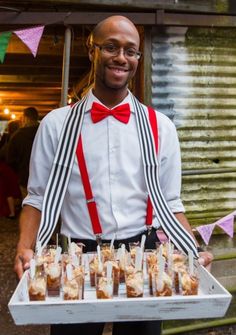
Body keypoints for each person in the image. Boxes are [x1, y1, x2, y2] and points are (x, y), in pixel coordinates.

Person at [14, 16, 213, 335]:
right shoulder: (56, 125)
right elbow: (37, 198)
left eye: (130, 50)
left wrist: (191, 252)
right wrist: (26, 246)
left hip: (145, 257)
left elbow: (171, 203)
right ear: (92, 50)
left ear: (137, 58)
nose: (121, 57)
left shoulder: (161, 127)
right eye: (111, 47)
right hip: (78, 257)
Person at [7, 107, 39, 199]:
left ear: (25, 118)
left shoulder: (17, 136)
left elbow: (10, 159)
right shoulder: (44, 131)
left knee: (27, 204)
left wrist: (19, 170)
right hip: (44, 176)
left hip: (24, 177)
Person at [0, 120, 21, 218]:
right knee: (11, 191)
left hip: (5, 166)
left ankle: (11, 211)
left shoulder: (6, 137)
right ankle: (13, 211)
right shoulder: (18, 137)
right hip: (13, 168)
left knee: (7, 191)